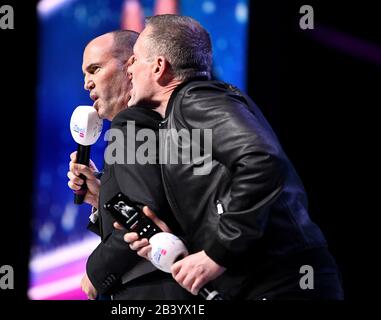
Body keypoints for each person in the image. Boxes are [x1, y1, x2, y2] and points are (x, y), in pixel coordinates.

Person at [121, 14, 344, 300]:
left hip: (282, 280)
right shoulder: (189, 109)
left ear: (158, 67)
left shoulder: (196, 99)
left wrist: (218, 252)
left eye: (135, 59)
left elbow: (261, 160)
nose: (129, 69)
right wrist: (177, 239)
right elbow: (221, 198)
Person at [67, 30, 192, 300]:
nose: (87, 83)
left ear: (131, 67)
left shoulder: (132, 125)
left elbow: (144, 213)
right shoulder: (156, 124)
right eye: (84, 75)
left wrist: (95, 272)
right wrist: (101, 198)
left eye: (95, 69)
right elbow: (160, 201)